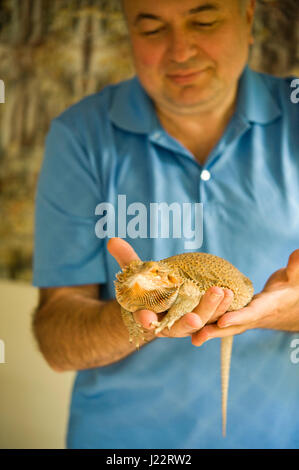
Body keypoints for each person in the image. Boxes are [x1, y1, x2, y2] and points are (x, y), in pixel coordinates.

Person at [32, 0, 299, 449]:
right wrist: (141, 315)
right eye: (152, 28)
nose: (180, 50)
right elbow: (56, 341)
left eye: (204, 20)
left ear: (248, 18)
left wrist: (287, 311)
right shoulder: (79, 134)